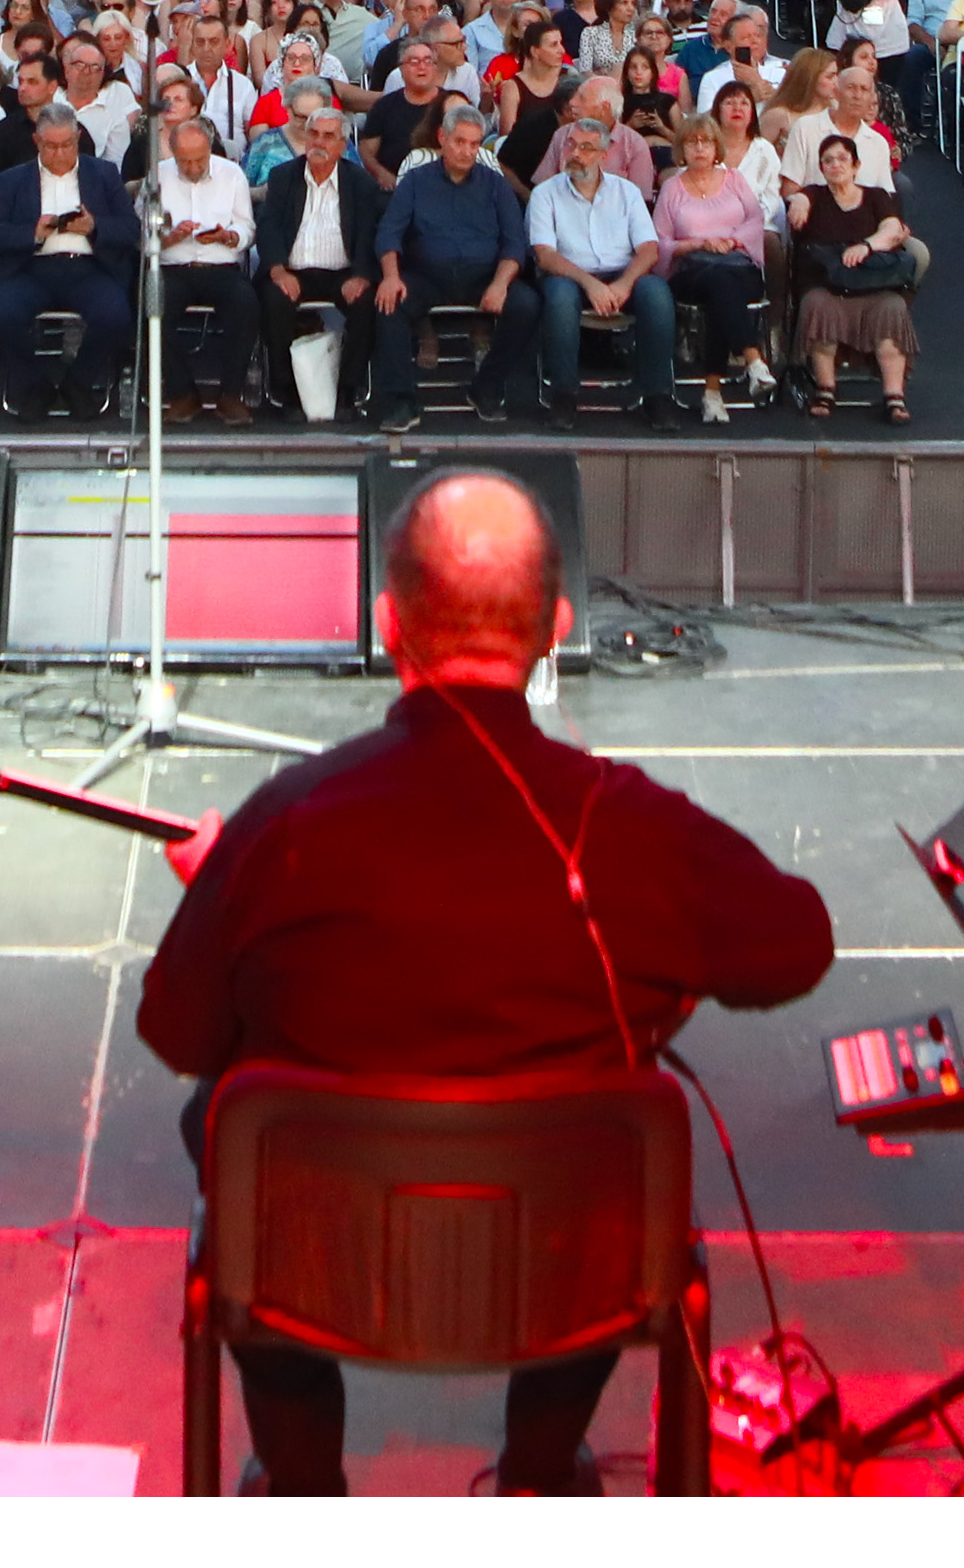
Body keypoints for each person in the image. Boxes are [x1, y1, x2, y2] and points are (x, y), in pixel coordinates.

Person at [136, 472, 833, 1498]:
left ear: (386, 623)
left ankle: (298, 1480)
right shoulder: (628, 828)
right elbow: (794, 943)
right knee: (603, 1144)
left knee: (222, 1118)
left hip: (319, 1265)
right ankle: (542, 1472)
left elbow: (178, 1030)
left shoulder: (282, 824)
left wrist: (231, 886)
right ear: (554, 624)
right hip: (564, 1278)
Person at [0, 101, 139, 421]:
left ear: (78, 138)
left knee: (116, 314)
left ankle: (78, 382)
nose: (60, 153)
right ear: (37, 142)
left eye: (67, 144)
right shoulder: (13, 180)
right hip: (32, 268)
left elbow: (130, 228)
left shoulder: (103, 174)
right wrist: (33, 233)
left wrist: (94, 227)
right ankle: (35, 384)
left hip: (89, 268)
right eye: (51, 146)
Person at [371, 95, 527, 427]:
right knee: (389, 303)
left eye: (474, 144)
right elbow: (389, 232)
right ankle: (402, 401)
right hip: (426, 275)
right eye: (460, 142)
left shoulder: (496, 184)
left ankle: (486, 386)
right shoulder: (415, 180)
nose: (467, 151)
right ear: (442, 139)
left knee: (526, 304)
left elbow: (515, 242)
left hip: (483, 276)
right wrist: (390, 276)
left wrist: (500, 284)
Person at [521, 105, 665, 425]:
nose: (575, 153)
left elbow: (649, 250)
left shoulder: (626, 192)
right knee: (558, 296)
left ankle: (657, 395)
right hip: (568, 274)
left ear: (604, 154)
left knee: (656, 293)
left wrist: (624, 284)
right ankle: (563, 395)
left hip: (619, 273)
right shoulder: (545, 194)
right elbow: (545, 255)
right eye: (571, 145)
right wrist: (591, 284)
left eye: (586, 148)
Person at [253, 89, 379, 426]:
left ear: (342, 145)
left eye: (328, 137)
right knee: (273, 301)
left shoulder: (361, 183)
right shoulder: (283, 178)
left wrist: (363, 276)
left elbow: (369, 235)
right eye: (314, 134)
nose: (319, 143)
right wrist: (278, 270)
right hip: (292, 270)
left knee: (367, 302)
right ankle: (286, 393)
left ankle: (347, 392)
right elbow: (267, 228)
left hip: (343, 272)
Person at [785, 129, 919, 423]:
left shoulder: (876, 197)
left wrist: (866, 246)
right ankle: (825, 387)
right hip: (828, 284)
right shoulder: (815, 195)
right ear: (821, 168)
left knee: (892, 308)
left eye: (843, 159)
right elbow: (797, 198)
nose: (835, 165)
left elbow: (892, 230)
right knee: (818, 304)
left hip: (872, 282)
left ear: (856, 166)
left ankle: (894, 395)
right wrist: (800, 201)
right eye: (828, 161)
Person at [650, 118, 770, 422]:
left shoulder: (735, 180)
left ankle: (714, 394)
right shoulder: (672, 188)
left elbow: (756, 222)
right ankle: (752, 361)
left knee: (722, 289)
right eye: (692, 142)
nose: (700, 148)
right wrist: (698, 244)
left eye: (705, 141)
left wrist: (729, 241)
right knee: (719, 285)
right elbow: (661, 242)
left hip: (738, 265)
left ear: (716, 146)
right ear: (682, 149)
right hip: (692, 271)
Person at [146, 104, 260, 424]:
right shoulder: (158, 176)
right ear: (173, 152)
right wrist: (169, 237)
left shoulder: (231, 174)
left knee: (246, 304)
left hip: (221, 266)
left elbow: (247, 229)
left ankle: (230, 395)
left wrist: (228, 236)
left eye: (199, 159)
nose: (194, 167)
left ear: (210, 150)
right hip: (173, 266)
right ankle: (183, 393)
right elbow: (143, 237)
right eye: (185, 161)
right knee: (153, 305)